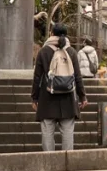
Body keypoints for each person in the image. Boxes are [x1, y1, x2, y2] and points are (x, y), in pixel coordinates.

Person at [31, 23, 87, 152]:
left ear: (51, 33)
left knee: (47, 134)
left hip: (47, 98)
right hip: (67, 99)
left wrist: (34, 98)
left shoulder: (43, 52)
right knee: (67, 134)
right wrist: (82, 96)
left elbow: (37, 78)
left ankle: (49, 163)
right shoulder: (71, 52)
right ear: (65, 35)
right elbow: (77, 76)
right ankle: (67, 164)